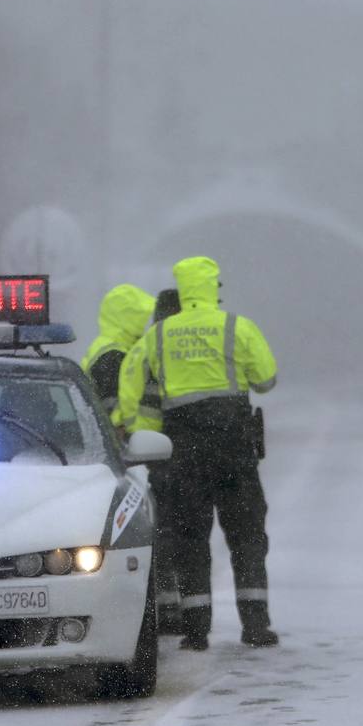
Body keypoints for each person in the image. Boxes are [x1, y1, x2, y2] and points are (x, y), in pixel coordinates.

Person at [119, 257, 278, 650]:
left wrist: (123, 422)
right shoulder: (236, 327)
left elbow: (131, 379)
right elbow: (266, 379)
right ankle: (255, 627)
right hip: (234, 449)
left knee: (191, 537)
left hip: (185, 449)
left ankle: (195, 631)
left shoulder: (157, 336)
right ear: (213, 289)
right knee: (246, 535)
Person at [118, 289, 184, 633]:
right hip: (178, 450)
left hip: (154, 452)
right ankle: (182, 610)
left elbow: (135, 402)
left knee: (166, 530)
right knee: (184, 531)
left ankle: (170, 608)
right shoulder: (178, 348)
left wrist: (134, 436)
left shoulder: (150, 346)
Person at [81, 284, 155, 423]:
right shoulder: (113, 355)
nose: (144, 323)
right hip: (114, 434)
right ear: (127, 317)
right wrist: (118, 430)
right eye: (140, 316)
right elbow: (111, 405)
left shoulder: (103, 346)